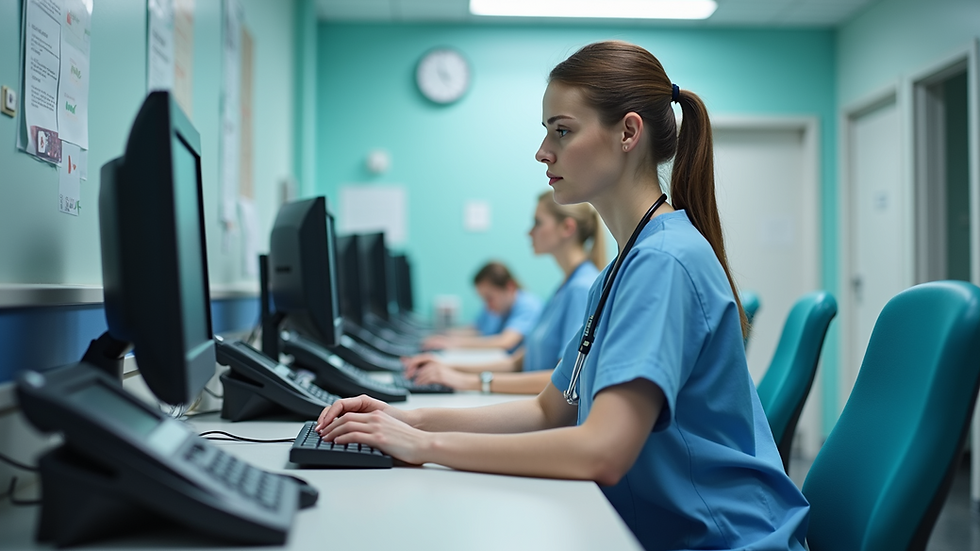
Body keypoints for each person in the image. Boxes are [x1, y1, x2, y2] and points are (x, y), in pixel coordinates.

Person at [316, 41, 809, 551]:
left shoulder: (664, 262)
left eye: (563, 130)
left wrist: (426, 446)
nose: (542, 151)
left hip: (727, 541)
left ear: (628, 133)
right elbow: (551, 410)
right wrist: (404, 417)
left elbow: (603, 451)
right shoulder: (626, 263)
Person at [406, 190, 603, 394]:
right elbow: (516, 362)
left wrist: (469, 381)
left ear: (567, 228)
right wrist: (447, 367)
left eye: (537, 222)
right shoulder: (564, 287)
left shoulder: (581, 288)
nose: (529, 232)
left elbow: (566, 380)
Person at [421, 261, 542, 353]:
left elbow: (505, 342)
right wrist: (444, 335)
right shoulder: (498, 308)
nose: (488, 306)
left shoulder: (528, 306)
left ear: (509, 287)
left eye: (490, 298)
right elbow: (476, 328)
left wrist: (453, 343)